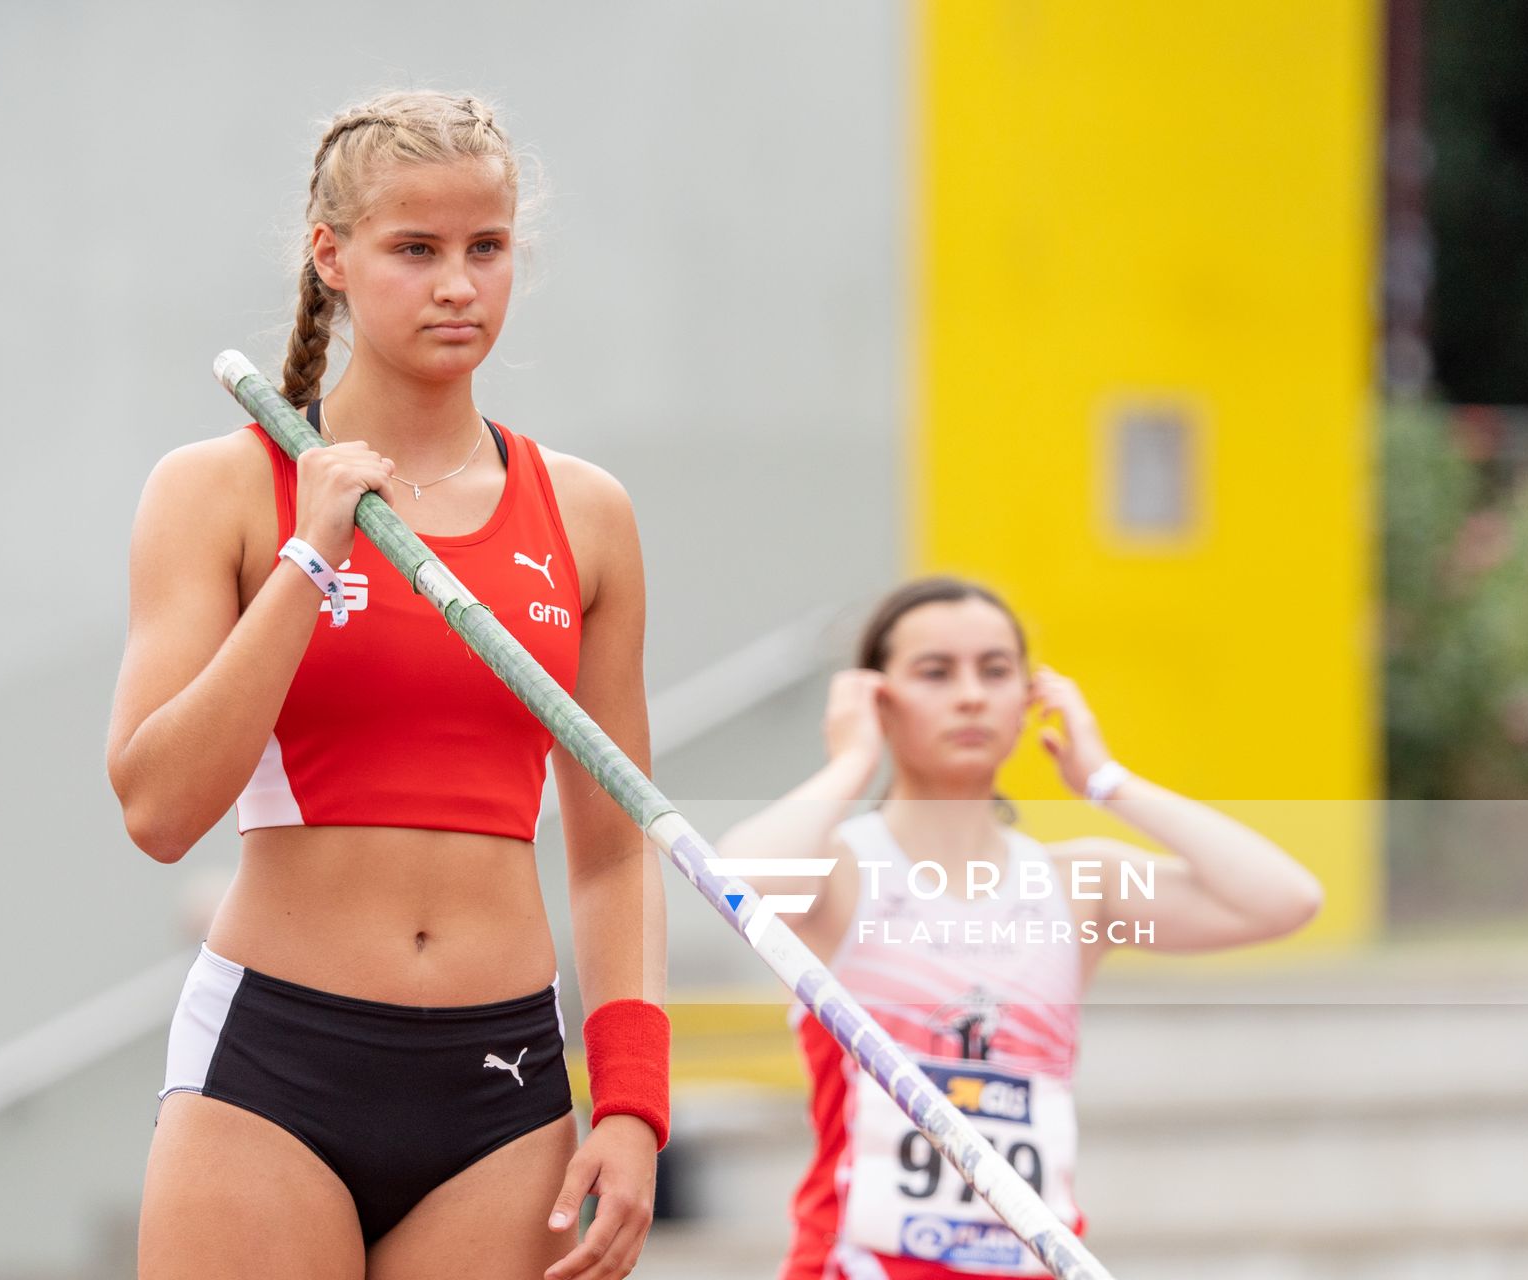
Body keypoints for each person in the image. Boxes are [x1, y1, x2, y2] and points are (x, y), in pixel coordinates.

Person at [106, 91, 667, 1280]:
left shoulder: (587, 514)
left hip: (500, 1084)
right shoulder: (220, 487)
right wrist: (311, 556)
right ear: (335, 258)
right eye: (416, 250)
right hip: (276, 1067)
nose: (458, 284)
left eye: (487, 247)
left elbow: (617, 849)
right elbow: (156, 807)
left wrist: (631, 1098)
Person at [716, 577, 1323, 1279]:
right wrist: (852, 759)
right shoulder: (841, 871)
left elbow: (1286, 900)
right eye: (936, 672)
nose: (971, 695)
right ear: (879, 698)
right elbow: (734, 883)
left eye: (996, 670)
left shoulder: (1076, 885)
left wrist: (1107, 780)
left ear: (1030, 697)